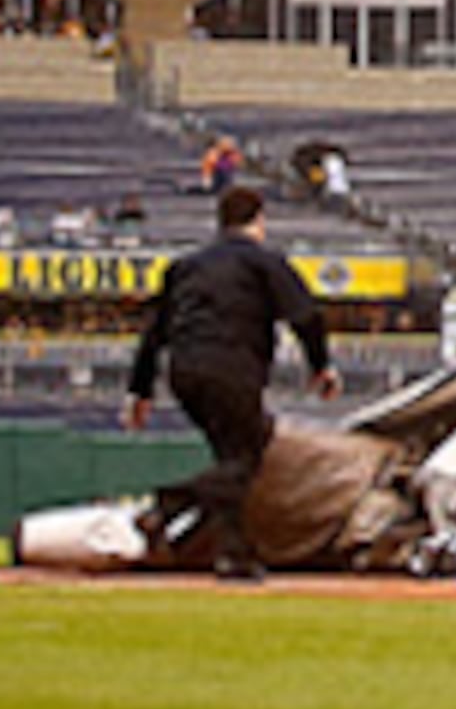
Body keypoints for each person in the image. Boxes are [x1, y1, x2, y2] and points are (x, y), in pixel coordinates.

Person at [124, 186, 342, 581]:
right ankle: (168, 504)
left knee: (232, 460)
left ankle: (232, 554)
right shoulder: (263, 262)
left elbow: (153, 332)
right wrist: (321, 367)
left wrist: (139, 390)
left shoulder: (186, 266)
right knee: (246, 456)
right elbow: (306, 315)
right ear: (259, 219)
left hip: (184, 371)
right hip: (233, 367)